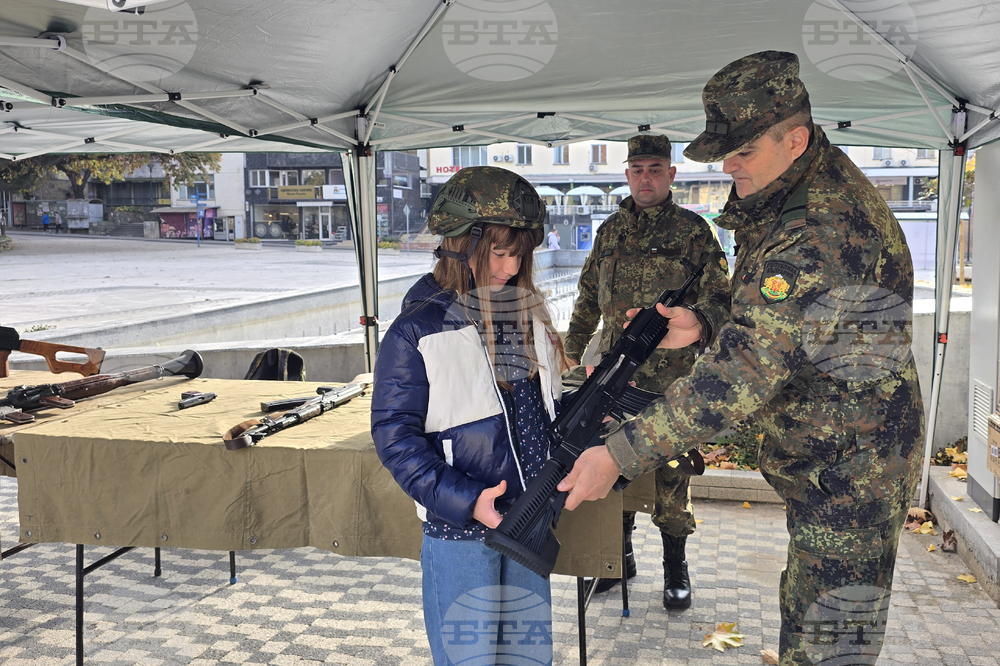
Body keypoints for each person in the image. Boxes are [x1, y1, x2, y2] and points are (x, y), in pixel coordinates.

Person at [556, 51, 923, 665]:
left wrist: (617, 454)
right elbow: (781, 323)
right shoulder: (795, 193)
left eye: (743, 151)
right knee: (809, 615)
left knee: (828, 643)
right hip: (833, 457)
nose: (728, 165)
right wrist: (702, 323)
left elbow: (744, 373)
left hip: (852, 468)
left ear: (795, 138)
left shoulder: (819, 228)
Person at [372, 166, 567, 666]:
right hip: (460, 531)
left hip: (530, 525)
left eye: (519, 254)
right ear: (460, 245)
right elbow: (395, 439)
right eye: (499, 252)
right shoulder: (415, 332)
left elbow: (542, 414)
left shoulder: (526, 317)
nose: (510, 266)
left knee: (527, 658)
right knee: (469, 660)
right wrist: (466, 500)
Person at [563, 134, 730, 607]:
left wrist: (699, 323)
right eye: (637, 169)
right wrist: (570, 353)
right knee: (612, 464)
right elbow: (588, 299)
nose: (645, 178)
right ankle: (621, 559)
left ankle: (675, 567)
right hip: (616, 377)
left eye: (655, 168)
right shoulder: (610, 231)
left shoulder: (695, 232)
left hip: (672, 381)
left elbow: (722, 298)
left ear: (672, 175)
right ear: (626, 174)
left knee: (671, 475)